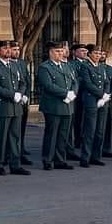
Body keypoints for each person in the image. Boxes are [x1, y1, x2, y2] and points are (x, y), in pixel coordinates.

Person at [0, 40, 30, 176]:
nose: (8, 51)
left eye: (9, 48)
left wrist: (20, 94)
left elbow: (23, 82)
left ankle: (15, 164)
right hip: (3, 107)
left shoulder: (14, 65)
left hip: (16, 107)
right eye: (5, 49)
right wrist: (12, 95)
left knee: (15, 137)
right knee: (1, 137)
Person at [36, 40, 77, 171]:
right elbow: (48, 86)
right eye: (57, 51)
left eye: (61, 51)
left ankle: (60, 159)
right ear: (50, 53)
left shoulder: (67, 66)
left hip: (67, 105)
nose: (60, 53)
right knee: (52, 134)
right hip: (53, 105)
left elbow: (75, 81)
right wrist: (65, 93)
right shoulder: (45, 67)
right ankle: (47, 160)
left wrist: (73, 93)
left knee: (63, 134)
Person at [77, 44, 111, 167]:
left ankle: (96, 156)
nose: (98, 56)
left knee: (100, 131)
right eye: (95, 53)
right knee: (89, 130)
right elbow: (88, 84)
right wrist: (102, 94)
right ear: (89, 54)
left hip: (103, 102)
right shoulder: (85, 66)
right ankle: (85, 158)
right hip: (91, 100)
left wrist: (107, 94)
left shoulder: (102, 67)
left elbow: (107, 82)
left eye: (99, 54)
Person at [9, 40, 32, 165]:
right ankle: (10, 153)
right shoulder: (8, 64)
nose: (16, 52)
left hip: (22, 102)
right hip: (12, 101)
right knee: (11, 131)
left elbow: (27, 81)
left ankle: (20, 150)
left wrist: (25, 96)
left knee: (21, 129)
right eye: (14, 50)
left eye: (18, 50)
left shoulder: (22, 64)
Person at [98, 46, 112, 159]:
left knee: (108, 124)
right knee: (98, 126)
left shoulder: (110, 69)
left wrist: (110, 94)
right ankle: (97, 148)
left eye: (104, 54)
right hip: (98, 100)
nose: (102, 56)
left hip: (108, 100)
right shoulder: (94, 68)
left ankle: (106, 148)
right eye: (100, 54)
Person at [70, 43, 89, 151]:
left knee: (85, 118)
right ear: (75, 52)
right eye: (82, 51)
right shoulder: (72, 64)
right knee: (77, 118)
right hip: (78, 94)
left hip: (87, 94)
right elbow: (76, 79)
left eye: (85, 51)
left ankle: (83, 138)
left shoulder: (88, 63)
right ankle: (78, 139)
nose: (85, 53)